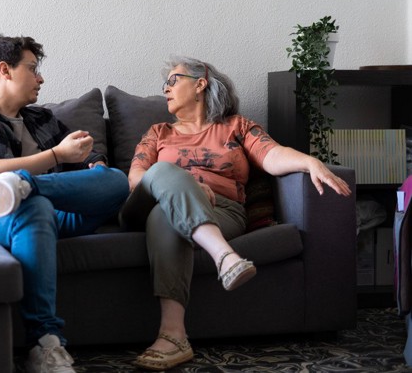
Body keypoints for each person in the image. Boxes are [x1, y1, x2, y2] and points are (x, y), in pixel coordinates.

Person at [120, 56, 351, 371]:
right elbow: (136, 179)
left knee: (166, 217)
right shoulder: (158, 132)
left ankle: (173, 337)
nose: (165, 89)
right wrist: (184, 184)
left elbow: (271, 156)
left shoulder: (237, 127)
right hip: (146, 201)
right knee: (163, 172)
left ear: (200, 83)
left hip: (219, 210)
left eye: (172, 81)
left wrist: (310, 162)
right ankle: (225, 258)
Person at [0, 35, 129, 373]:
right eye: (32, 69)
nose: (40, 78)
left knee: (115, 181)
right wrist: (56, 155)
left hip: (53, 212)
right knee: (33, 207)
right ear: (4, 70)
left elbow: (91, 158)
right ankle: (45, 343)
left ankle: (23, 185)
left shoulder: (41, 119)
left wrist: (93, 168)